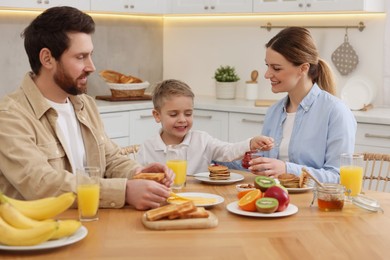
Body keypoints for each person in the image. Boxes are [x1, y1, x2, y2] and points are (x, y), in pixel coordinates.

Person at [0, 6, 174, 210]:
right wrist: (125, 191)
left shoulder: (85, 104)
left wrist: (138, 173)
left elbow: (110, 159)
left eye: (90, 55)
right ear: (47, 59)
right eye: (80, 57)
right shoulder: (10, 117)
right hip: (45, 233)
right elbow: (42, 184)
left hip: (93, 222)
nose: (91, 66)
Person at [247, 27, 356, 183]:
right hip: (275, 200)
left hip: (315, 204)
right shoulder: (274, 111)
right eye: (267, 66)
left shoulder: (336, 112)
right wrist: (213, 151)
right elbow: (264, 165)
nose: (267, 74)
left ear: (303, 68)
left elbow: (338, 178)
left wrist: (287, 169)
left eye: (276, 68)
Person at [136, 79, 274, 174]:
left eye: (188, 113)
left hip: (200, 199)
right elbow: (138, 177)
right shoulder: (147, 148)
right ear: (157, 115)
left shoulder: (202, 140)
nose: (182, 120)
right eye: (173, 114)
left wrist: (250, 143)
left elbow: (228, 151)